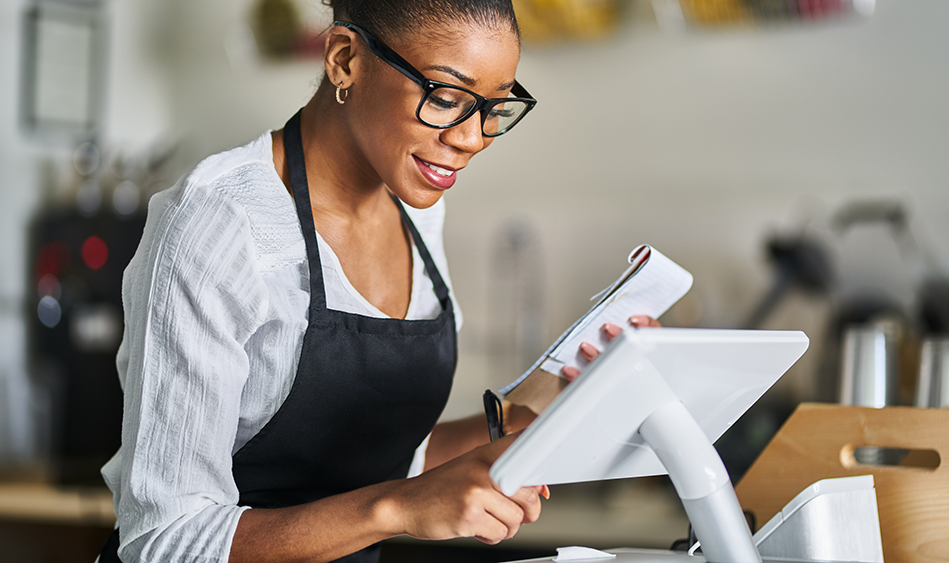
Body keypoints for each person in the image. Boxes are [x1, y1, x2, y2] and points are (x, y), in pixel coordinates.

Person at [98, 1, 657, 561]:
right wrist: (399, 507)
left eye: (493, 107)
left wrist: (557, 404)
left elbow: (381, 458)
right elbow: (161, 542)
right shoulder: (219, 225)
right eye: (445, 98)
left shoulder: (415, 207)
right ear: (345, 60)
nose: (472, 139)